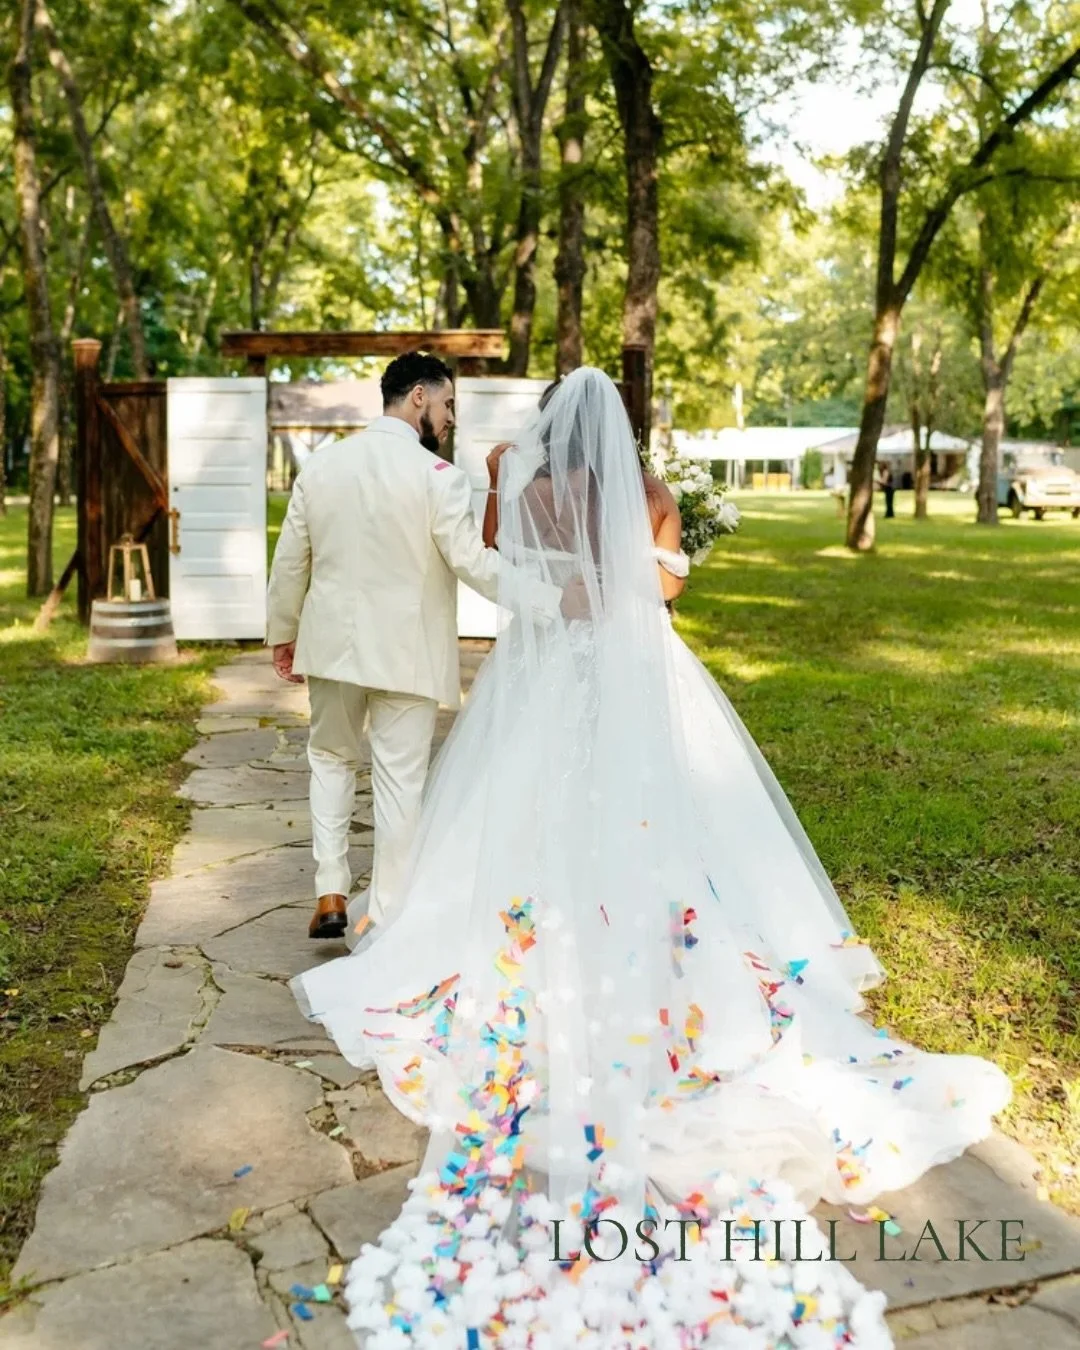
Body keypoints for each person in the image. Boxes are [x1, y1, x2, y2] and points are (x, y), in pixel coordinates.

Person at [290, 368, 1010, 1347]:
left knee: (525, 825)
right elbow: (667, 586)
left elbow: (505, 561)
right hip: (633, 683)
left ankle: (514, 953)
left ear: (550, 429)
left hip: (543, 684)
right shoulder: (653, 496)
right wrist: (641, 564)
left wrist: (510, 488)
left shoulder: (530, 488)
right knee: (658, 827)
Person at [266, 352, 565, 942]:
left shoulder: (323, 469)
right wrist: (553, 602)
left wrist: (283, 633)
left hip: (332, 646)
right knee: (399, 783)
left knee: (329, 759)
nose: (452, 418)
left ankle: (330, 890)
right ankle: (383, 917)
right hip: (408, 653)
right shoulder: (439, 478)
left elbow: (291, 558)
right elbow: (474, 562)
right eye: (449, 403)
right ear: (420, 397)